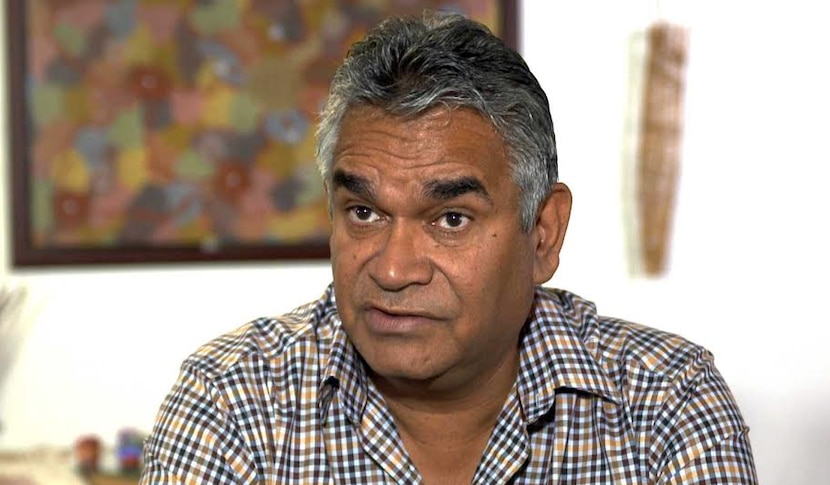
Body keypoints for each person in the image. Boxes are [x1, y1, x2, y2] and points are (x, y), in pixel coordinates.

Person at [140, 11, 758, 485]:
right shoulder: (233, 402)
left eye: (451, 219)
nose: (392, 267)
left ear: (543, 235)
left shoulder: (661, 405)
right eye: (363, 212)